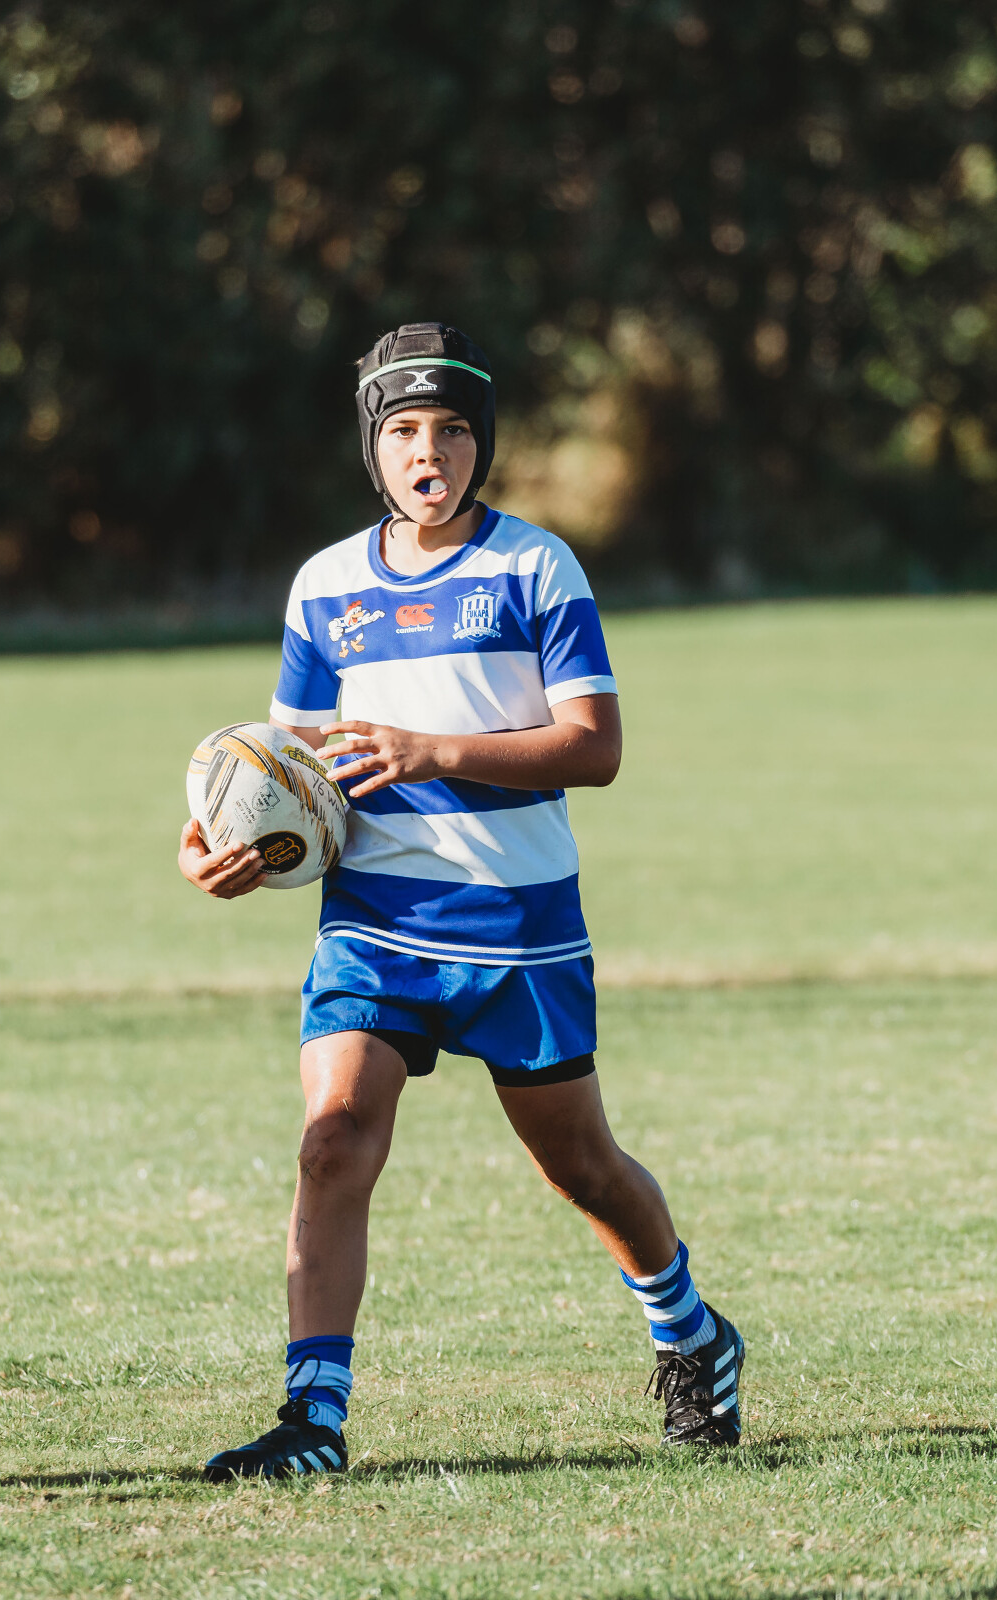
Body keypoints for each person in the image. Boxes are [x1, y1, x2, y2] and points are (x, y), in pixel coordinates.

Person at [179, 324, 744, 1481]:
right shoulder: (326, 586)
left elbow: (595, 748)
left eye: (451, 430)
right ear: (373, 448)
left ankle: (690, 1329)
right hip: (374, 922)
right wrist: (220, 851)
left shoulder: (537, 569)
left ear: (483, 444)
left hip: (516, 926)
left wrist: (433, 750)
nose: (427, 452)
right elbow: (286, 776)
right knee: (333, 1141)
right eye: (403, 431)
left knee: (580, 1166)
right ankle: (313, 1420)